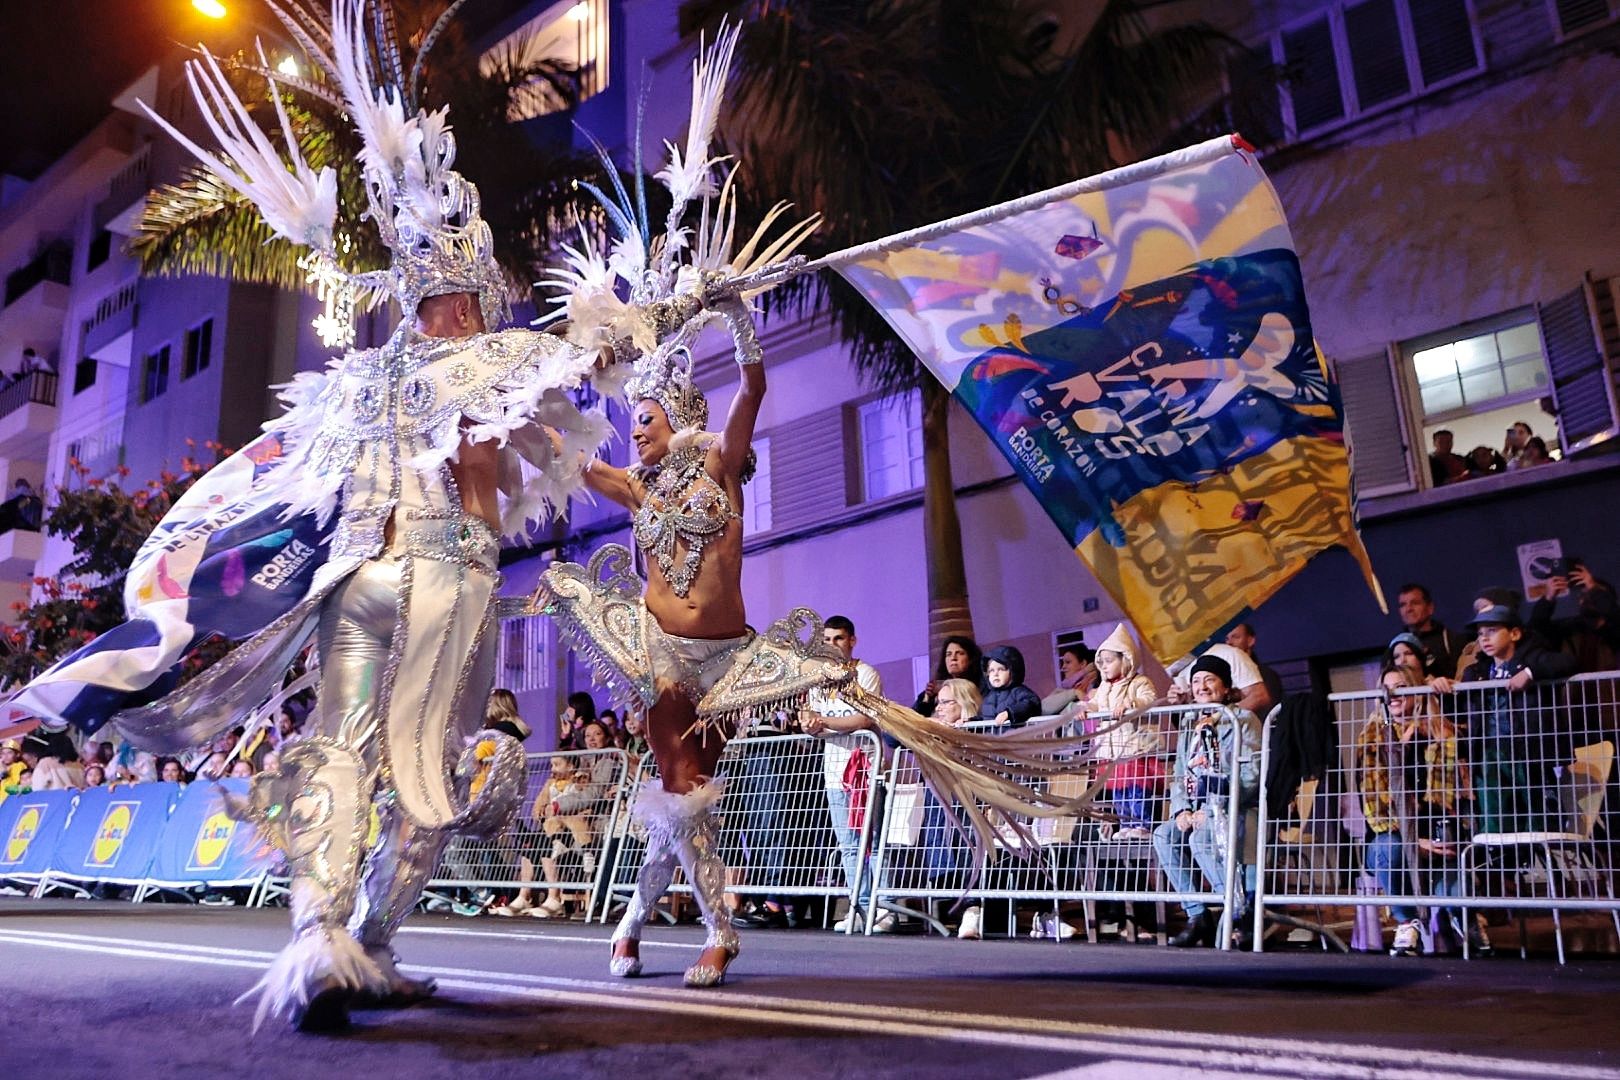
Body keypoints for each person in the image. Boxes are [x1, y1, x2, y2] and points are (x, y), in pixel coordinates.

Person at [1, 3, 700, 1032]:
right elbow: (593, 356)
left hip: (354, 587)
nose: (475, 309)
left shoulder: (352, 384)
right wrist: (663, 309)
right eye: (473, 297)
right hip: (446, 580)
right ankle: (367, 939)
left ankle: (319, 936)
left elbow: (278, 487)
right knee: (437, 770)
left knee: (339, 744)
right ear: (457, 300)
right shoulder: (488, 359)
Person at [1357, 663, 1478, 956]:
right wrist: (1415, 842)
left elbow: (1459, 798)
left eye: (1400, 687)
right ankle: (1406, 922)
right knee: (1391, 849)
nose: (1393, 695)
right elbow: (1376, 811)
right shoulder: (1372, 737)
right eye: (1387, 689)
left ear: (1416, 689)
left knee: (1455, 892)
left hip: (1440, 836)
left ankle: (1468, 924)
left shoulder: (1443, 734)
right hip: (1395, 839)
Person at [1152, 654, 1262, 948]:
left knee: (1199, 837)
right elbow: (1178, 773)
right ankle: (1198, 915)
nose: (1201, 687)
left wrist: (1214, 806)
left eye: (1209, 680)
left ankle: (1239, 912)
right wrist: (1181, 810)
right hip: (1196, 809)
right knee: (1163, 835)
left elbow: (1251, 774)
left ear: (1226, 687)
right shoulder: (1190, 723)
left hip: (1231, 808)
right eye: (1196, 681)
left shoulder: (1243, 721)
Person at [801, 615, 892, 933]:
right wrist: (812, 725)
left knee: (875, 841)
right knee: (849, 845)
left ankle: (882, 908)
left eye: (838, 638)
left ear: (852, 640)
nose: (831, 645)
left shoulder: (866, 674)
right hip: (834, 772)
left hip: (866, 769)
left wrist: (822, 723)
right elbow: (809, 722)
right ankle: (860, 905)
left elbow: (864, 719)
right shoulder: (818, 680)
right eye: (826, 640)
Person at [1456, 604, 1577, 837]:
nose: (1484, 638)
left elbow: (1567, 662)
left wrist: (1530, 673)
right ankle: (1505, 870)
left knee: (1536, 817)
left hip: (1528, 751)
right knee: (1496, 820)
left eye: (1492, 631)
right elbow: (1458, 709)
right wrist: (1443, 687)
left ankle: (1547, 870)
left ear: (1514, 633)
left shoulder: (1533, 657)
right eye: (1480, 633)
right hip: (1489, 753)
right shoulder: (1477, 671)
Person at [1080, 624, 1164, 840]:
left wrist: (1131, 703)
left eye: (1110, 661)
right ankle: (1126, 823)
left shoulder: (1139, 682)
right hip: (1112, 750)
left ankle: (1142, 823)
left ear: (1125, 659)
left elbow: (1149, 700)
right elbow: (1096, 704)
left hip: (1133, 747)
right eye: (1102, 663)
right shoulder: (1104, 688)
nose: (1105, 667)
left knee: (1137, 788)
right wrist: (1086, 708)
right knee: (1118, 791)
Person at [1167, 642, 1272, 718]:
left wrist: (1218, 720)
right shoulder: (1182, 671)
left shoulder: (1229, 654)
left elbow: (1260, 697)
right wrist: (1181, 705)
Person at [1395, 583, 1461, 679]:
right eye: (1403, 605)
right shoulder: (1396, 645)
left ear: (1430, 608)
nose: (1408, 609)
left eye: (1415, 603)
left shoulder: (1451, 640)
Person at [913, 636, 984, 718]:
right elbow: (914, 718)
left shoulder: (982, 684)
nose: (953, 658)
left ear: (971, 658)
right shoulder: (935, 687)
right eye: (948, 654)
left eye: (960, 653)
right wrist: (927, 698)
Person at [977, 645, 1043, 728]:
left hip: (1014, 739)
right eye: (991, 670)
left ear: (1013, 671)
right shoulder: (988, 697)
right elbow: (985, 718)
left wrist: (1010, 713)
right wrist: (970, 722)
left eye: (1001, 669)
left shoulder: (1019, 692)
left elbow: (1031, 704)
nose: (995, 674)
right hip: (992, 740)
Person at [1224, 622, 1284, 712]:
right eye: (1227, 639)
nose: (1229, 643)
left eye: (1235, 637)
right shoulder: (1224, 675)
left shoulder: (1266, 675)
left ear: (1250, 641)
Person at [1041, 643, 1097, 715]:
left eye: (1068, 662)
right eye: (1063, 663)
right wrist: (1075, 693)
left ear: (1083, 664)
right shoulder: (1064, 690)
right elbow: (1044, 708)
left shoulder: (1094, 688)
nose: (1063, 667)